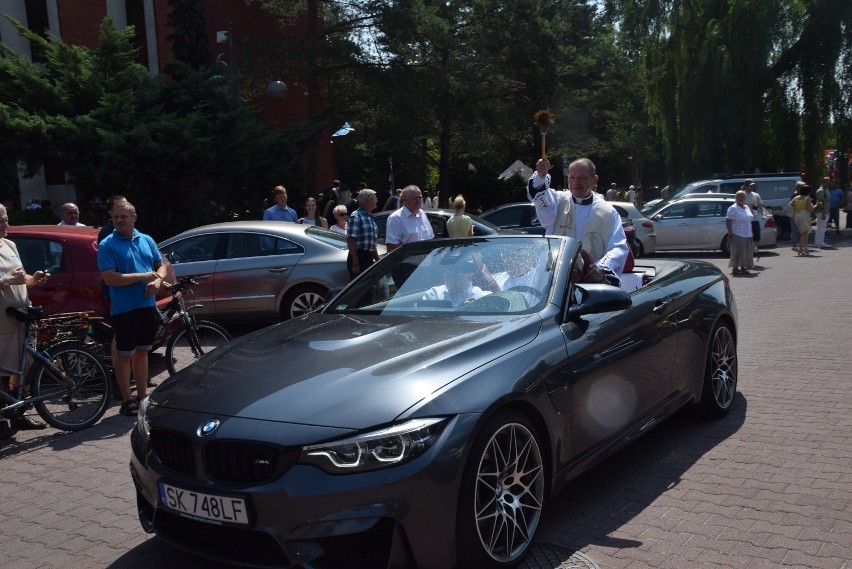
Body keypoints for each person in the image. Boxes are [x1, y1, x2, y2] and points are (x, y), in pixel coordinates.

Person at [97, 201, 168, 417]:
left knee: (143, 351)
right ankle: (127, 399)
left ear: (134, 217)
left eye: (123, 216)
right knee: (125, 354)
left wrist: (157, 281)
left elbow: (161, 266)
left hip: (147, 305)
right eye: (115, 217)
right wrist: (142, 276)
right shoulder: (107, 245)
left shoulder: (146, 239)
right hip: (125, 308)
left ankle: (143, 395)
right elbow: (109, 277)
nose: (118, 220)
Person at [529, 157, 629, 285]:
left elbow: (618, 247)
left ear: (594, 180)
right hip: (556, 281)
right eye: (572, 177)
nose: (575, 182)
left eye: (582, 178)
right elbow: (541, 199)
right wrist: (541, 176)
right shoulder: (558, 201)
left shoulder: (609, 212)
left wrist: (601, 268)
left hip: (591, 284)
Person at [0, 204, 50, 432]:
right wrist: (7, 280)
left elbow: (22, 277)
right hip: (3, 319)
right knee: (3, 371)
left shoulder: (9, 244)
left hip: (22, 314)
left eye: (6, 219)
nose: (6, 225)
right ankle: (3, 418)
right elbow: (10, 279)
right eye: (1, 221)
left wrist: (34, 279)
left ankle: (18, 414)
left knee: (24, 366)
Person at [420, 257, 489, 308]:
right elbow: (422, 319)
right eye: (447, 273)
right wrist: (459, 309)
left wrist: (474, 310)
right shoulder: (434, 294)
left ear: (469, 276)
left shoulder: (482, 298)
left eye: (456, 273)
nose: (449, 276)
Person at [385, 185, 435, 253]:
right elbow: (391, 247)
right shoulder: (396, 218)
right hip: (408, 262)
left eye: (420, 197)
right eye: (415, 198)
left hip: (427, 261)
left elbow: (431, 237)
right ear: (405, 200)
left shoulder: (422, 214)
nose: (419, 200)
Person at [346, 189, 380, 280]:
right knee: (360, 290)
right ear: (368, 200)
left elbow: (372, 244)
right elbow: (351, 240)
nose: (376, 200)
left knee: (369, 290)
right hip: (358, 257)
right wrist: (355, 263)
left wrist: (378, 260)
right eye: (374, 198)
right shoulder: (356, 216)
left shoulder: (370, 217)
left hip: (368, 257)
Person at [725, 190, 755, 275]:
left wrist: (751, 233)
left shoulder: (746, 207)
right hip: (737, 233)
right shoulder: (733, 208)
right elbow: (728, 220)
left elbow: (749, 221)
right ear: (736, 198)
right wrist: (730, 232)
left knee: (746, 251)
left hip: (748, 233)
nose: (740, 198)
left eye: (742, 197)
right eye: (739, 197)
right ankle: (735, 268)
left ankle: (743, 267)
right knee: (738, 251)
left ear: (745, 198)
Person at [788, 184, 815, 256]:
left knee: (805, 232)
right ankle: (800, 249)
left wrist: (796, 206)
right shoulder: (807, 198)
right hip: (804, 215)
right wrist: (817, 205)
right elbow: (810, 209)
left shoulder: (796, 197)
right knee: (804, 233)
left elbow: (789, 205)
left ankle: (805, 248)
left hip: (797, 215)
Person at [742, 179, 763, 245]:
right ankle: (748, 249)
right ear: (745, 186)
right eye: (750, 186)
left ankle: (753, 247)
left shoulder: (756, 195)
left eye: (753, 186)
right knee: (747, 237)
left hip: (755, 219)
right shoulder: (741, 194)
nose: (752, 187)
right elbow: (737, 206)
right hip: (745, 220)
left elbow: (760, 206)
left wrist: (763, 214)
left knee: (757, 237)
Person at [813, 177, 830, 248]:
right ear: (823, 182)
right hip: (822, 212)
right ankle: (820, 242)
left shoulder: (825, 190)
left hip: (825, 211)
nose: (829, 183)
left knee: (822, 228)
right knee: (821, 228)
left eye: (829, 182)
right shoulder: (821, 190)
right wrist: (823, 212)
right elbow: (820, 202)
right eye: (827, 182)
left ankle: (819, 242)